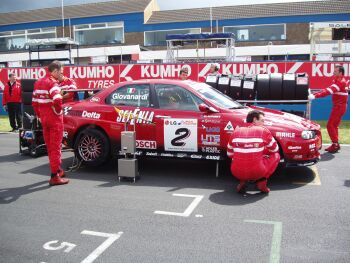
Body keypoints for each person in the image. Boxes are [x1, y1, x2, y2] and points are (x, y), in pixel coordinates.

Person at [32, 60, 69, 186]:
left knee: (50, 146)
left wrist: (39, 115)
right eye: (61, 72)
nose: (62, 75)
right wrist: (58, 111)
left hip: (44, 119)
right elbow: (58, 100)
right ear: (55, 71)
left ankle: (57, 169)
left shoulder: (37, 82)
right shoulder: (53, 83)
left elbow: (34, 102)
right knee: (56, 147)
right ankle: (54, 176)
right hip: (55, 119)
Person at [227, 110, 280, 194]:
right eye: (262, 120)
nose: (264, 123)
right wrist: (263, 152)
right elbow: (275, 149)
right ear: (255, 120)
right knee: (276, 155)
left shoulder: (235, 131)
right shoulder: (263, 130)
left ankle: (242, 181)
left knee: (238, 158)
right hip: (257, 171)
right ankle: (262, 182)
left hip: (236, 172)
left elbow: (229, 154)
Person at [308, 65, 348, 153]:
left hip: (339, 107)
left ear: (340, 73)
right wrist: (315, 94)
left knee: (330, 125)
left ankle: (335, 144)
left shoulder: (340, 82)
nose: (333, 72)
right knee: (334, 126)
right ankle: (336, 144)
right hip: (340, 107)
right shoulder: (338, 81)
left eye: (336, 71)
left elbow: (327, 92)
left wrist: (314, 96)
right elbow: (327, 89)